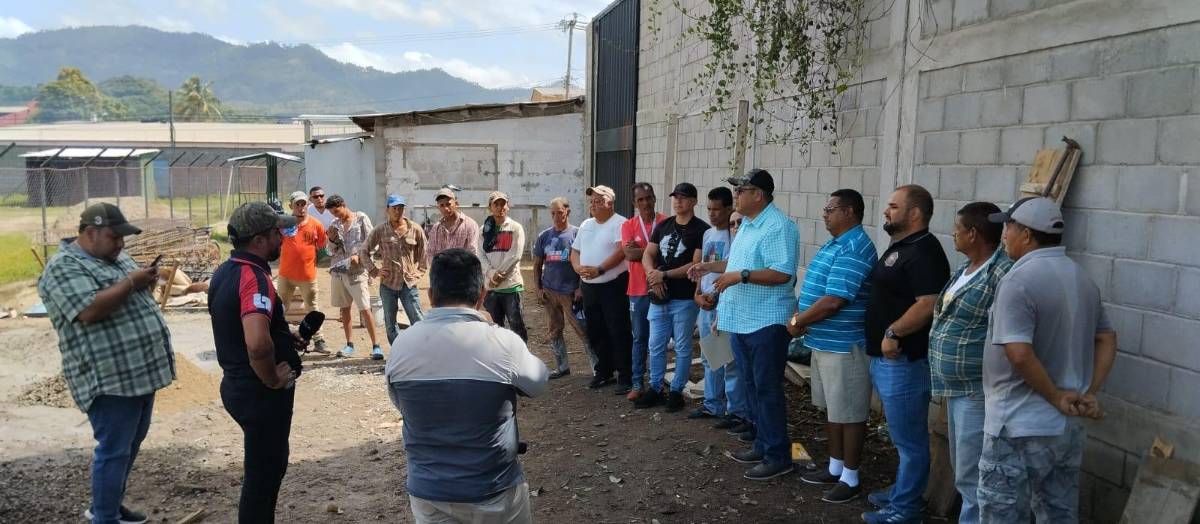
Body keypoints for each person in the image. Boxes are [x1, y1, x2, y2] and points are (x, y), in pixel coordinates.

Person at [978, 197, 1116, 523]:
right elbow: (1107, 339)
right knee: (1058, 514)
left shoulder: (1018, 280)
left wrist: (1055, 396)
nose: (1003, 235)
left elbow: (1019, 353)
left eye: (1008, 228)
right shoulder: (1082, 278)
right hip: (1066, 429)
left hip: (1017, 426)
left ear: (1026, 233)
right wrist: (1088, 392)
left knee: (1002, 515)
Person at [386, 248, 548, 523]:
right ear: (482, 296)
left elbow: (400, 403)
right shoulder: (503, 343)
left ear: (430, 296)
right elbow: (539, 383)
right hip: (494, 491)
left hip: (429, 495)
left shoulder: (401, 345)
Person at [38, 203, 173, 524]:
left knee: (127, 447)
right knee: (113, 451)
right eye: (114, 237)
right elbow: (88, 310)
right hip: (109, 380)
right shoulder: (62, 267)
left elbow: (128, 292)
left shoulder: (113, 255)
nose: (121, 244)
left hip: (140, 374)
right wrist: (130, 283)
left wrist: (144, 283)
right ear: (89, 233)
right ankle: (104, 517)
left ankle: (108, 505)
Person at [690, 169, 800, 481]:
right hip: (741, 320)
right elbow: (737, 265)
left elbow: (782, 273)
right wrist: (708, 267)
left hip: (766, 321)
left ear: (759, 195)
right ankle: (763, 443)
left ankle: (780, 455)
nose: (736, 195)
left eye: (742, 189)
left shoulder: (779, 227)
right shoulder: (748, 225)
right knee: (752, 386)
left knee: (767, 389)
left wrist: (741, 276)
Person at [208, 202, 307, 523]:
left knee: (264, 470)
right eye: (277, 232)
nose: (283, 237)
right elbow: (256, 343)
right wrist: (271, 379)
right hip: (258, 393)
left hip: (238, 386)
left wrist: (282, 334)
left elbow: (245, 326)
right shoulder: (255, 277)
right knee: (262, 476)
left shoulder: (227, 270)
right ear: (259, 240)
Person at [861, 184, 950, 524]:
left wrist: (893, 332)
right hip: (886, 361)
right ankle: (901, 493)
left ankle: (906, 509)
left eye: (893, 206)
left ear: (914, 213)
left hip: (904, 361)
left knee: (911, 441)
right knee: (902, 438)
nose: (886, 211)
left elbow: (928, 304)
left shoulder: (925, 251)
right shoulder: (903, 246)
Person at [925, 202, 1012, 524]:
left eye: (958, 230)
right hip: (955, 387)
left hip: (977, 388)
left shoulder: (1001, 272)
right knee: (964, 467)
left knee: (974, 470)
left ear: (974, 234)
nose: (953, 234)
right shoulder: (965, 269)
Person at [788, 189, 878, 503]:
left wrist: (799, 321)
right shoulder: (835, 243)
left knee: (851, 413)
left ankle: (851, 477)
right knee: (834, 411)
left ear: (849, 211)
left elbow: (834, 300)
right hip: (825, 342)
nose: (824, 214)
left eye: (830, 208)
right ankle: (836, 466)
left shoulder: (854, 246)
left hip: (845, 345)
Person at [635, 182, 709, 411]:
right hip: (659, 296)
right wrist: (652, 276)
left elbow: (695, 263)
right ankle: (656, 388)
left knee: (683, 346)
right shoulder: (663, 225)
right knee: (655, 344)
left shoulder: (701, 230)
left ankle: (676, 390)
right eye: (675, 197)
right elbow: (648, 254)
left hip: (684, 298)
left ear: (694, 201)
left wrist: (663, 274)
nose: (678, 201)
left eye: (684, 197)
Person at [688, 187, 749, 430]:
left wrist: (718, 296)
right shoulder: (707, 234)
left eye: (717, 209)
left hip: (727, 303)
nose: (712, 214)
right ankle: (712, 402)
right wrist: (698, 295)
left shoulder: (737, 234)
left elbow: (732, 269)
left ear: (728, 209)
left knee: (730, 360)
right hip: (707, 303)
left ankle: (735, 410)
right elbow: (703, 269)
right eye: (709, 209)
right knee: (710, 356)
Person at [570, 185, 634, 392]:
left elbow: (621, 252)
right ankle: (603, 370)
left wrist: (600, 269)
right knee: (596, 330)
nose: (594, 205)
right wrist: (579, 268)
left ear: (610, 203)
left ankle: (625, 374)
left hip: (612, 285)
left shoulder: (620, 223)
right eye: (592, 202)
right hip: (589, 286)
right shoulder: (586, 224)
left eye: (599, 201)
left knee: (618, 330)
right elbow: (575, 251)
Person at [532, 197, 594, 379]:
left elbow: (585, 262)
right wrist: (538, 288)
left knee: (582, 329)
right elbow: (536, 265)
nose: (556, 216)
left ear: (567, 211)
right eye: (553, 213)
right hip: (550, 291)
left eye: (559, 212)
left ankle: (597, 367)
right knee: (554, 329)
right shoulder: (545, 236)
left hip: (571, 292)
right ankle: (562, 367)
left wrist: (580, 287)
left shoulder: (577, 234)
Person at [621, 182, 666, 399]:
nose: (645, 203)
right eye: (640, 200)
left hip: (663, 287)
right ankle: (637, 383)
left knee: (660, 338)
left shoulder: (666, 222)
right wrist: (655, 251)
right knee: (639, 337)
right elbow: (629, 255)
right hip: (637, 289)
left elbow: (670, 255)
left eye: (649, 198)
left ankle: (657, 382)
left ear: (655, 198)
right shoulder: (629, 225)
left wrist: (643, 252)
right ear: (634, 203)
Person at [324, 195, 383, 359]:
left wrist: (361, 255)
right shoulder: (334, 225)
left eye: (337, 211)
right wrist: (332, 239)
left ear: (343, 205)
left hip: (357, 271)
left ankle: (376, 346)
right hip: (338, 271)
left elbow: (373, 241)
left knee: (364, 308)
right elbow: (329, 251)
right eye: (332, 213)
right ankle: (349, 345)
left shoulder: (361, 218)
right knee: (344, 308)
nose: (336, 215)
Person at [366, 194, 429, 344]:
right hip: (388, 284)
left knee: (418, 320)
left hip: (409, 284)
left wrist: (418, 272)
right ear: (388, 209)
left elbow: (424, 253)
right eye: (394, 208)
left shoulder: (415, 229)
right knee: (390, 323)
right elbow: (364, 251)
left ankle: (422, 352)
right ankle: (397, 352)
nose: (397, 211)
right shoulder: (380, 230)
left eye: (400, 208)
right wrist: (375, 271)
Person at [277, 191, 328, 353]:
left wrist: (312, 262)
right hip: (286, 275)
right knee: (280, 308)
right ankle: (279, 338)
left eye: (303, 204)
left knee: (312, 308)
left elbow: (322, 246)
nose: (301, 207)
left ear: (307, 205)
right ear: (291, 206)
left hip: (307, 276)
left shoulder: (316, 224)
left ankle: (319, 340)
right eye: (297, 204)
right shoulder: (284, 223)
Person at [478, 191, 528, 341]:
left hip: (511, 286)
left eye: (503, 204)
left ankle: (521, 356)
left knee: (516, 324)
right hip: (491, 287)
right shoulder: (483, 231)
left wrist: (499, 275)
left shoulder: (515, 228)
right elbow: (480, 255)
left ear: (508, 207)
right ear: (490, 208)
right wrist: (492, 274)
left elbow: (515, 255)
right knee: (495, 327)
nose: (500, 207)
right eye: (496, 204)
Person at [427, 187, 481, 261]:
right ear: (438, 207)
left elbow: (473, 253)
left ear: (456, 204)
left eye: (448, 204)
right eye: (442, 205)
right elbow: (430, 253)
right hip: (441, 271)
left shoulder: (470, 225)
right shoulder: (436, 228)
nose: (445, 208)